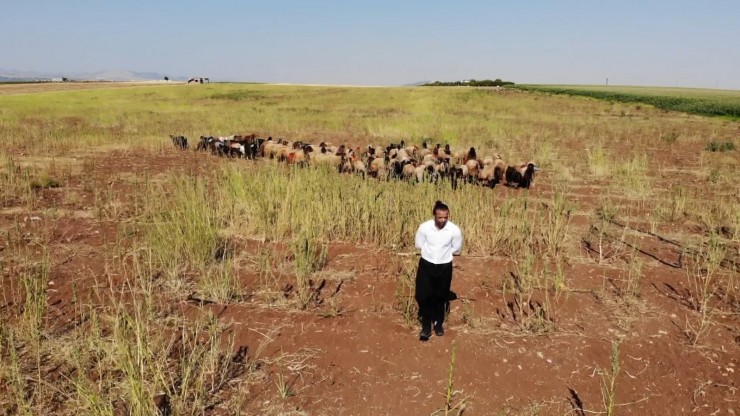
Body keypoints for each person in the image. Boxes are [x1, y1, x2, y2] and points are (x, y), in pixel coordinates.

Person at [414, 200, 463, 341]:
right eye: (440, 217)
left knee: (441, 296)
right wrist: (430, 254)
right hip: (426, 265)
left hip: (444, 266)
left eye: (445, 217)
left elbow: (456, 248)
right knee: (423, 295)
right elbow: (419, 244)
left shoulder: (454, 230)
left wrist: (443, 255)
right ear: (434, 215)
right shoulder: (424, 227)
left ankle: (438, 324)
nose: (443, 220)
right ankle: (426, 326)